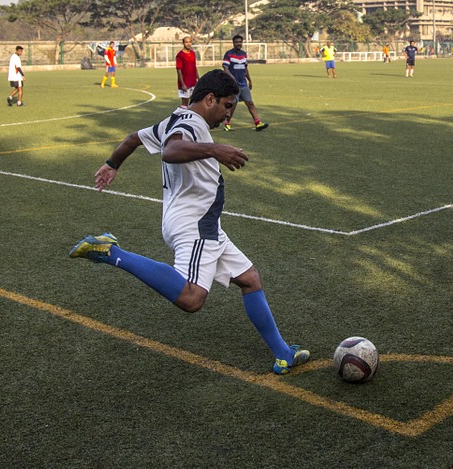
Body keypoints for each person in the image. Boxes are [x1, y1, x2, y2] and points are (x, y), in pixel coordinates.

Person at [70, 69, 309, 376]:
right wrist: (215, 149)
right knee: (192, 298)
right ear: (210, 99)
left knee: (249, 279)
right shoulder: (190, 123)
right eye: (226, 106)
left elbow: (133, 139)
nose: (227, 115)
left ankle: (283, 353)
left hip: (203, 223)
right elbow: (170, 151)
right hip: (194, 224)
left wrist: (111, 164)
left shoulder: (173, 119)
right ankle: (112, 252)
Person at [221, 34, 267, 131]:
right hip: (234, 85)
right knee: (233, 104)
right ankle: (227, 123)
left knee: (250, 103)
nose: (238, 44)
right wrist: (231, 77)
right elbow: (225, 68)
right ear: (233, 43)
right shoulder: (228, 54)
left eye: (240, 42)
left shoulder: (244, 54)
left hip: (243, 83)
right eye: (236, 42)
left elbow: (245, 68)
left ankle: (258, 123)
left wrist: (249, 80)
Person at [175, 36, 199, 105]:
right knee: (185, 104)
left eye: (190, 42)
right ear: (183, 43)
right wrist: (183, 84)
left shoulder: (193, 53)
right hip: (185, 83)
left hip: (193, 82)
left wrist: (198, 78)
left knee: (194, 103)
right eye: (186, 42)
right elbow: (179, 70)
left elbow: (194, 67)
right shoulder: (180, 55)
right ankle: (179, 115)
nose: (188, 44)